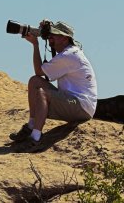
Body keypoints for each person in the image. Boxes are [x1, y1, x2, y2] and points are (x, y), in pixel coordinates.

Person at [9, 19, 97, 150]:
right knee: (35, 81)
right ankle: (31, 126)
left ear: (65, 39)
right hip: (74, 101)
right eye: (50, 34)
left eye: (54, 35)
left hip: (81, 107)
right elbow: (39, 75)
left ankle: (35, 138)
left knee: (43, 93)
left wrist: (35, 45)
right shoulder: (68, 52)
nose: (50, 38)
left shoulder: (69, 55)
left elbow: (39, 70)